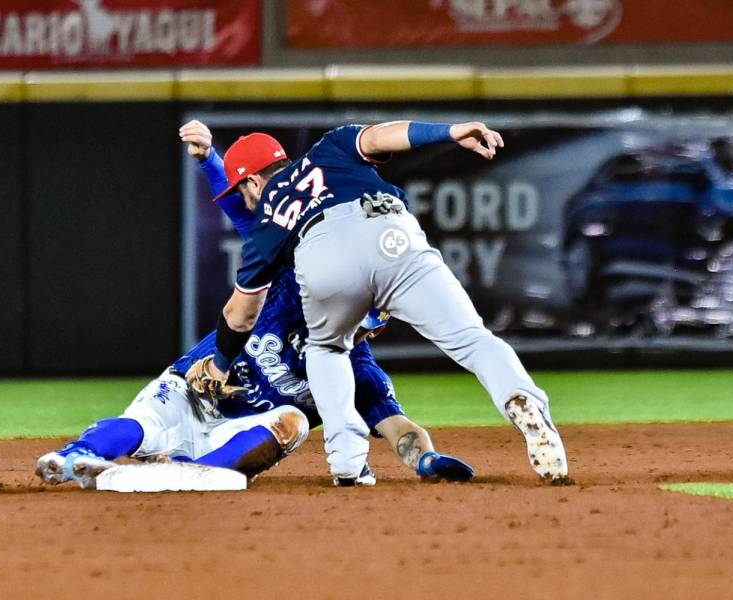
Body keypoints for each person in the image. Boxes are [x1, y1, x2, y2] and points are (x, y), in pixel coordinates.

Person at [34, 122, 475, 489]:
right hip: (198, 386)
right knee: (144, 423)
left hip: (237, 433)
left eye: (375, 318)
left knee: (292, 423)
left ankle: (192, 471)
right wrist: (210, 161)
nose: (368, 325)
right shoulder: (293, 272)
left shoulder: (353, 370)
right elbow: (250, 213)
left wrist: (428, 461)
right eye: (369, 313)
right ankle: (74, 456)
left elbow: (399, 428)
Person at [184, 120, 569, 485]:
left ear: (252, 181)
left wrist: (219, 365)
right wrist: (449, 131)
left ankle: (347, 463)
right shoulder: (330, 148)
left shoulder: (268, 217)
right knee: (473, 339)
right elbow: (384, 135)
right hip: (392, 232)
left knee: (326, 349)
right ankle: (521, 398)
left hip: (324, 254)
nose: (244, 201)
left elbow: (240, 313)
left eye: (241, 191)